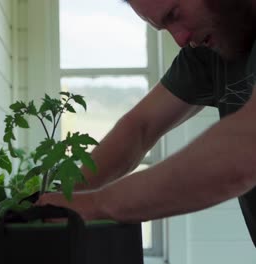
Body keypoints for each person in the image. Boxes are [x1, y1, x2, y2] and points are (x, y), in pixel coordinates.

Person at [36, 0, 256, 247]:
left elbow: (244, 151)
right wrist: (63, 196)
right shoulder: (213, 45)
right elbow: (140, 128)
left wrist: (94, 205)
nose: (181, 39)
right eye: (165, 27)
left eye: (174, 14)